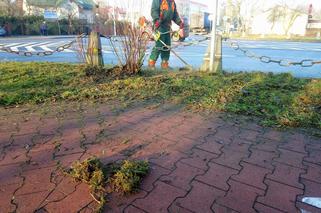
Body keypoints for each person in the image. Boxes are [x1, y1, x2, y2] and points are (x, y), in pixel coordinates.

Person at [149, 0, 184, 69]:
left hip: (167, 26)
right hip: (159, 26)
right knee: (159, 45)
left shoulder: (172, 2)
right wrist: (157, 19)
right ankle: (151, 62)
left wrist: (179, 22)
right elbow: (154, 11)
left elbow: (175, 15)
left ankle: (165, 63)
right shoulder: (158, 1)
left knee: (167, 45)